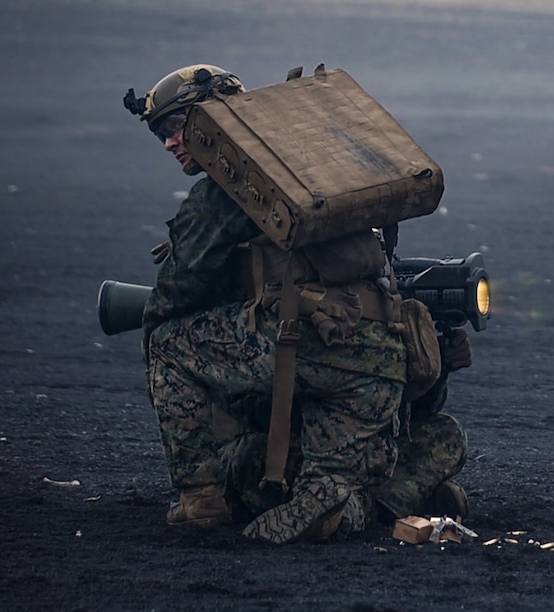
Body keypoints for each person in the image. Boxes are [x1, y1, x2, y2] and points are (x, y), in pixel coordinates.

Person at [123, 64, 472, 544]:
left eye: (176, 126)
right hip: (376, 356)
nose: (169, 141)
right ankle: (376, 500)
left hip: (302, 347)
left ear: (211, 122)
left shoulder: (229, 190)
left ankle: (201, 498)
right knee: (425, 441)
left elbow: (177, 290)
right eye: (160, 132)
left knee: (166, 343)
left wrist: (155, 329)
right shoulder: (324, 177)